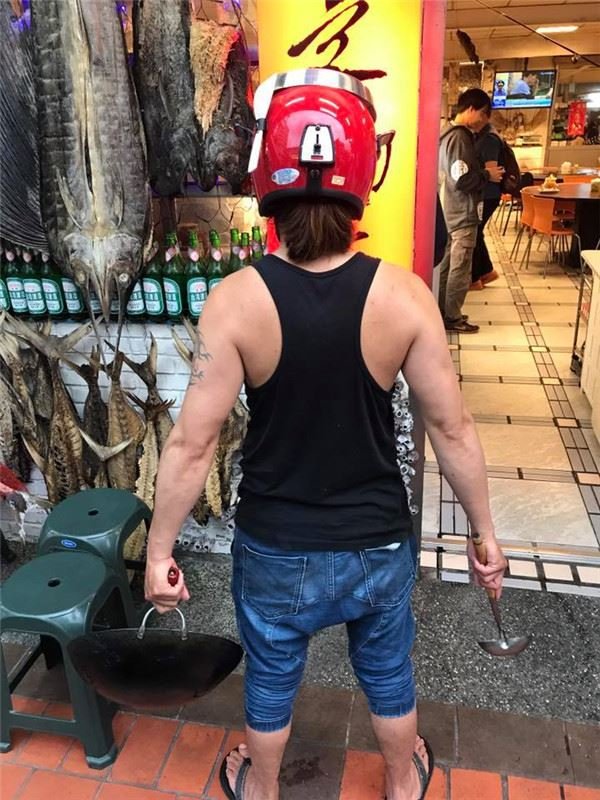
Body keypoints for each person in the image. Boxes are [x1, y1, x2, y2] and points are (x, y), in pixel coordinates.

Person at [144, 69, 507, 800]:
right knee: (388, 674)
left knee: (272, 678)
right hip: (377, 543)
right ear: (360, 175)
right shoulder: (405, 295)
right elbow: (452, 428)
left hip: (277, 547)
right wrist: (485, 534)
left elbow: (191, 445)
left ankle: (263, 787)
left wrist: (158, 552)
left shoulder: (234, 301)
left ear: (268, 178)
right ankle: (402, 782)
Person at [437, 88, 504, 332]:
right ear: (472, 109)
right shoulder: (460, 137)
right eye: (484, 114)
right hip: (462, 212)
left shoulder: (446, 135)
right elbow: (463, 180)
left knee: (448, 265)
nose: (485, 120)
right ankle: (452, 318)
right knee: (460, 267)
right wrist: (488, 174)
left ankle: (443, 312)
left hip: (450, 210)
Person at [471, 119, 503, 288]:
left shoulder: (489, 139)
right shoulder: (482, 137)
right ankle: (486, 272)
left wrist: (478, 174)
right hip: (485, 194)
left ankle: (475, 278)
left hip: (488, 195)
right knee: (477, 233)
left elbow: (494, 173)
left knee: (474, 233)